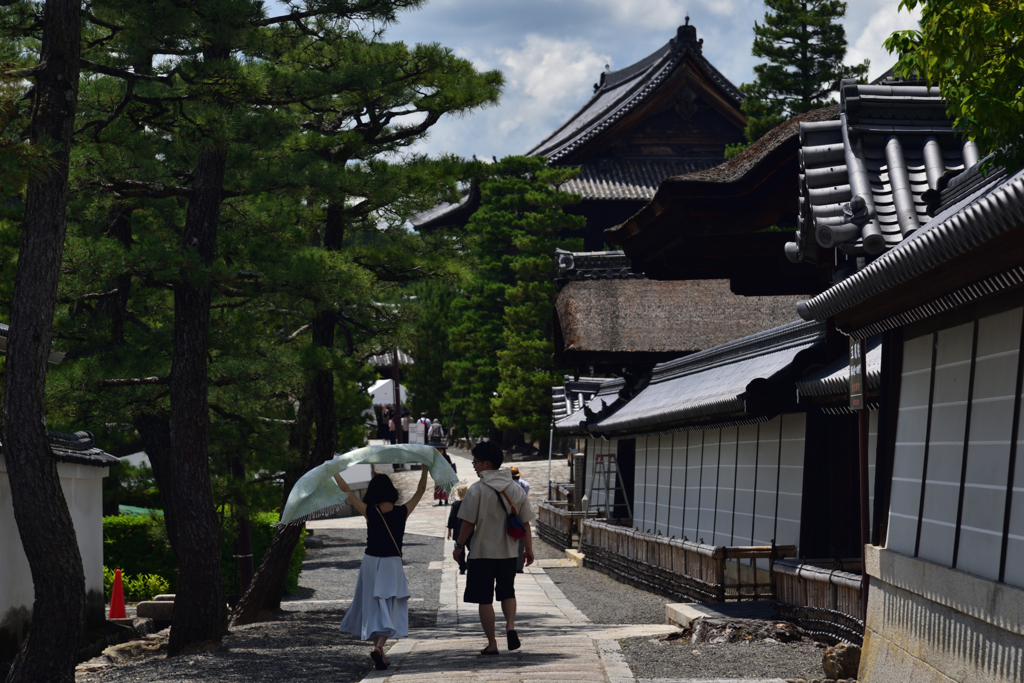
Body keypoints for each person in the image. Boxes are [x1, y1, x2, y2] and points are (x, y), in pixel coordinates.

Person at [335, 467, 429, 670]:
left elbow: (347, 492)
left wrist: (334, 472)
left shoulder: (369, 512)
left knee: (373, 607)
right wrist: (424, 468)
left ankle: (380, 651)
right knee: (391, 607)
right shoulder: (402, 511)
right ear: (392, 492)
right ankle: (379, 648)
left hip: (370, 561)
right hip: (391, 563)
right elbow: (421, 490)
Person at [453, 441, 536, 655]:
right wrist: (528, 549)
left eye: (476, 461)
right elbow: (525, 522)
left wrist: (459, 545)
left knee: (484, 598)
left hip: (482, 552)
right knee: (507, 592)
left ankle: (492, 643)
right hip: (508, 552)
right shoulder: (515, 489)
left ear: (486, 463)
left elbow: (468, 523)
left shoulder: (477, 489)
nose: (473, 465)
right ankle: (510, 626)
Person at [509, 467, 530, 573]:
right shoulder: (523, 485)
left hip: (508, 515)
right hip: (520, 514)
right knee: (520, 540)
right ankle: (519, 566)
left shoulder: (507, 486)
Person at [447, 484, 470, 574]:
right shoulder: (470, 503)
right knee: (472, 548)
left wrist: (449, 530)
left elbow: (451, 518)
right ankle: (468, 563)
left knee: (460, 549)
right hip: (469, 530)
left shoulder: (455, 504)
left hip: (457, 530)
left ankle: (462, 567)